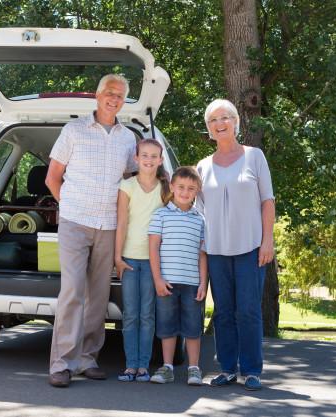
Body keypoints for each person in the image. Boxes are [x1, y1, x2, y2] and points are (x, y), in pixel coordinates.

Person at [45, 74, 137, 388]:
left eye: (121, 95)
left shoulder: (128, 138)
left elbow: (132, 183)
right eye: (110, 93)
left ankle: (87, 359)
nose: (115, 99)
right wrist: (69, 206)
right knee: (72, 291)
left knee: (98, 295)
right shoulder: (73, 130)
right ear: (97, 96)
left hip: (109, 226)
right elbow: (52, 177)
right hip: (74, 222)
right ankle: (61, 363)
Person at [196, 99, 275, 391]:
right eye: (213, 120)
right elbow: (198, 212)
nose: (220, 123)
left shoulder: (255, 157)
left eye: (225, 117)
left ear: (236, 122)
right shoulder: (202, 166)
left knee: (249, 311)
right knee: (224, 312)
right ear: (209, 129)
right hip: (216, 251)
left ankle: (252, 370)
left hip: (251, 248)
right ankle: (227, 368)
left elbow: (268, 202)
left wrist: (268, 240)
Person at [114, 139, 170, 382]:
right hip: (128, 258)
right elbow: (122, 222)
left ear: (160, 160)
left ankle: (143, 366)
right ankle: (130, 365)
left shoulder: (165, 189)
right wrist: (117, 257)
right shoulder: (126, 186)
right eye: (144, 155)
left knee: (147, 314)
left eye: (154, 156)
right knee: (130, 314)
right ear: (136, 158)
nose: (148, 160)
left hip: (152, 261)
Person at [148, 166, 208, 386]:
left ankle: (194, 368)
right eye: (181, 187)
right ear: (172, 187)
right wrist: (157, 279)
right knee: (167, 326)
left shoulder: (200, 219)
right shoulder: (161, 214)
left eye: (191, 188)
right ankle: (167, 367)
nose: (185, 192)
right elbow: (153, 248)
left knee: (193, 327)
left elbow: (203, 254)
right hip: (167, 283)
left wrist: (203, 282)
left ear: (197, 191)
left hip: (192, 283)